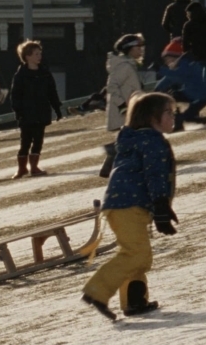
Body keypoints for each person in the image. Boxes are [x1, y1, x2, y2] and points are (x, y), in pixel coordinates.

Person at [81, 93, 178, 321]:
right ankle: (97, 291)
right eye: (168, 113)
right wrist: (161, 206)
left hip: (121, 205)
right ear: (152, 117)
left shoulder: (134, 139)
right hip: (129, 205)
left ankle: (135, 301)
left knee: (138, 255)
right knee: (136, 254)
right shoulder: (151, 141)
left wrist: (161, 207)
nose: (173, 117)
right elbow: (154, 175)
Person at [9, 40, 63, 179]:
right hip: (26, 113)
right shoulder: (20, 76)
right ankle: (22, 168)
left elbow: (52, 92)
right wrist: (18, 112)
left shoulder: (45, 73)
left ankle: (34, 167)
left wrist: (57, 109)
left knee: (38, 139)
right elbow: (15, 96)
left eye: (40, 53)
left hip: (42, 111)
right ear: (27, 56)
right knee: (25, 141)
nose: (39, 56)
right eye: (36, 54)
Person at [102, 34, 146, 178]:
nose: (141, 49)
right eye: (137, 47)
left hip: (131, 108)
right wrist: (122, 106)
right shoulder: (124, 67)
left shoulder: (129, 65)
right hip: (124, 110)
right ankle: (113, 153)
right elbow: (112, 87)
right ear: (129, 48)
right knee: (134, 138)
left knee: (130, 138)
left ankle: (113, 159)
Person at [156, 38, 206, 126]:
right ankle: (191, 118)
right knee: (173, 97)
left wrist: (160, 70)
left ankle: (183, 120)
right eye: (166, 61)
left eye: (170, 60)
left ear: (178, 57)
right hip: (193, 93)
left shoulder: (187, 64)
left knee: (181, 104)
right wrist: (156, 91)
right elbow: (167, 80)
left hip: (200, 95)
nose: (168, 63)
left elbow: (177, 75)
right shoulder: (183, 65)